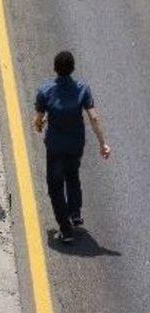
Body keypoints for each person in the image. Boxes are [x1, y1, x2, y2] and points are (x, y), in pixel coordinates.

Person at [35, 51, 110, 244]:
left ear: (55, 68)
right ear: (73, 68)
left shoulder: (45, 90)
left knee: (55, 186)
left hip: (55, 147)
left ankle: (65, 229)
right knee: (72, 175)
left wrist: (39, 124)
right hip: (75, 144)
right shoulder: (83, 89)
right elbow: (93, 117)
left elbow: (38, 120)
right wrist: (103, 143)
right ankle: (75, 212)